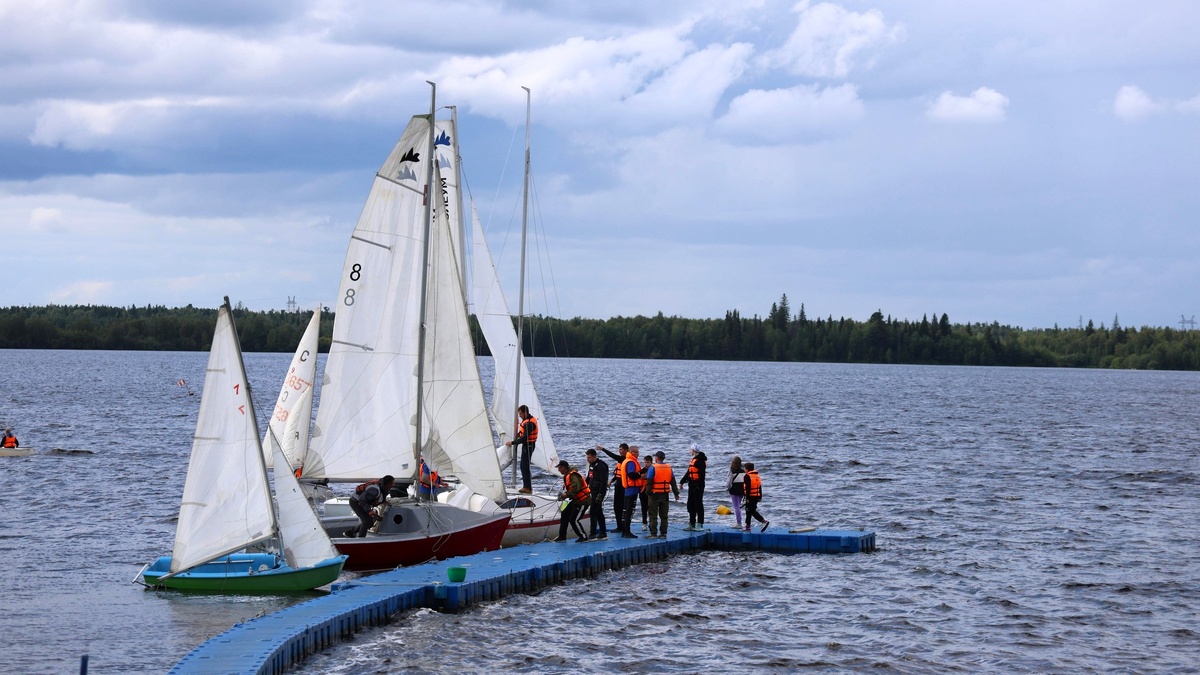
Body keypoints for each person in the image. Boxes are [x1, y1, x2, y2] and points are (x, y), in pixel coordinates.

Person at [503, 405, 538, 494]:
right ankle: (526, 486)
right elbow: (523, 434)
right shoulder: (526, 421)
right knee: (523, 466)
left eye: (520, 413)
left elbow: (525, 437)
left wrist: (513, 442)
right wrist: (518, 434)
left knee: (524, 466)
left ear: (525, 412)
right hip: (526, 445)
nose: (519, 415)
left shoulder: (529, 423)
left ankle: (527, 487)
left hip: (529, 446)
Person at [644, 450, 679, 538]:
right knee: (664, 515)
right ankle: (663, 533)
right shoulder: (669, 467)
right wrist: (676, 493)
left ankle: (653, 533)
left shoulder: (653, 468)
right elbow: (673, 482)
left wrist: (648, 492)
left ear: (657, 458)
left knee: (653, 514)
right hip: (665, 494)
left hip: (654, 494)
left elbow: (649, 482)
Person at [554, 460, 590, 543]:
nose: (559, 470)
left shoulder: (573, 475)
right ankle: (562, 536)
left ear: (564, 467)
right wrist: (566, 494)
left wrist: (566, 495)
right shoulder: (567, 476)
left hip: (583, 500)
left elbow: (576, 488)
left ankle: (583, 537)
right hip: (576, 500)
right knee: (564, 513)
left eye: (559, 468)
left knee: (574, 520)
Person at [597, 443, 627, 534]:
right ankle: (619, 526)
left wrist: (603, 449)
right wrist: (611, 481)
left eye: (621, 449)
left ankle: (622, 526)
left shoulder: (624, 459)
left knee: (620, 506)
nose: (620, 451)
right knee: (616, 506)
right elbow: (618, 474)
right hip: (618, 484)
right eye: (619, 449)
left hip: (623, 486)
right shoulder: (620, 461)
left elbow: (613, 456)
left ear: (626, 450)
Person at [618, 446, 646, 538]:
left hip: (628, 489)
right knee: (629, 510)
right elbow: (631, 475)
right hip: (631, 489)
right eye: (637, 452)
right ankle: (627, 531)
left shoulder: (626, 460)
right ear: (632, 452)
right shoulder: (630, 462)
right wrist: (641, 473)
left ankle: (624, 530)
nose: (638, 454)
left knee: (626, 510)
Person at [680, 443, 706, 531]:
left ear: (694, 450)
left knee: (698, 504)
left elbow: (702, 475)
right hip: (691, 485)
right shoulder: (693, 460)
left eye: (691, 449)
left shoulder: (700, 461)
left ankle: (700, 524)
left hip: (698, 486)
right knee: (690, 504)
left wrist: (699, 485)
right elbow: (688, 472)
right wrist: (682, 482)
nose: (690, 451)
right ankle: (692, 523)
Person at [584, 448, 609, 540]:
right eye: (587, 457)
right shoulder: (591, 465)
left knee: (593, 511)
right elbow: (589, 477)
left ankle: (593, 533)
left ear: (594, 456)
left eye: (589, 458)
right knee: (599, 512)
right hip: (592, 490)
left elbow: (604, 481)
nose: (588, 459)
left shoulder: (601, 466)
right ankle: (603, 532)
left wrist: (601, 494)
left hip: (598, 491)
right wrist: (583, 486)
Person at [742, 462, 769, 532]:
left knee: (750, 511)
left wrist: (747, 498)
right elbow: (759, 487)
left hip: (750, 497)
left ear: (747, 469)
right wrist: (760, 497)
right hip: (756, 496)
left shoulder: (747, 476)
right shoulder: (757, 476)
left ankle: (763, 521)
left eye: (745, 469)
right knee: (750, 511)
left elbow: (748, 488)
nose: (744, 470)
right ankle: (747, 526)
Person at [727, 456, 746, 529]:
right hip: (741, 490)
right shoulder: (743, 471)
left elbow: (729, 483)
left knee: (736, 507)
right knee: (738, 506)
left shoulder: (731, 471)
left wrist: (728, 488)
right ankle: (740, 522)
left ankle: (739, 523)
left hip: (734, 491)